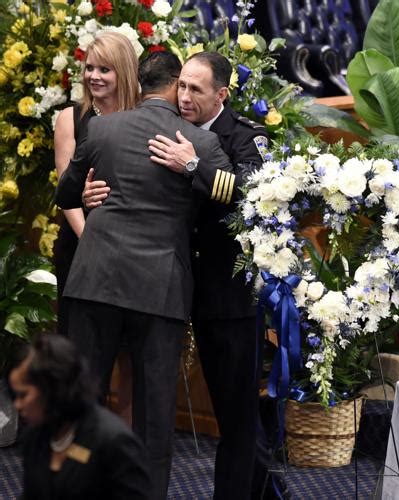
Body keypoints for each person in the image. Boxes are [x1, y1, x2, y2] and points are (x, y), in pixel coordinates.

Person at [84, 51, 288, 499]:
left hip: (226, 299)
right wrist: (91, 190)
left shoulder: (245, 136)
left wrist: (195, 166)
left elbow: (257, 200)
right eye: (182, 86)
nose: (185, 95)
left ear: (223, 94)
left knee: (235, 418)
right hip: (168, 288)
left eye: (196, 89)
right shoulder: (167, 127)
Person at [54, 52, 232, 499]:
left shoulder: (101, 127)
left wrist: (92, 193)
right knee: (154, 420)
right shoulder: (199, 144)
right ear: (174, 87)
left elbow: (65, 193)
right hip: (160, 289)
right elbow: (237, 197)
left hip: (94, 281)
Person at [53, 31, 140, 337]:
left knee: (129, 348)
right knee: (80, 348)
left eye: (104, 69)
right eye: (89, 68)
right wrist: (93, 241)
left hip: (133, 249)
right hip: (82, 245)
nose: (94, 76)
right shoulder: (70, 118)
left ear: (124, 71)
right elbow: (66, 192)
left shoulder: (142, 117)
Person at [8, 333, 148, 500]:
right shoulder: (35, 437)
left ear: (52, 388)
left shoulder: (114, 442)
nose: (17, 405)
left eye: (23, 395)